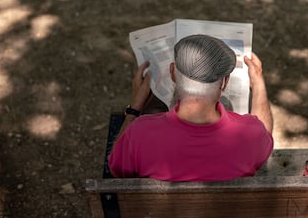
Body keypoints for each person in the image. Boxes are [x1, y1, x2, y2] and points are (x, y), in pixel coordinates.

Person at [108, 34, 273, 181]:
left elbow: (118, 170)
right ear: (224, 82)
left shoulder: (139, 133)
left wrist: (134, 109)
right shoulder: (251, 134)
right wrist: (258, 83)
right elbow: (265, 135)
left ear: (173, 72)